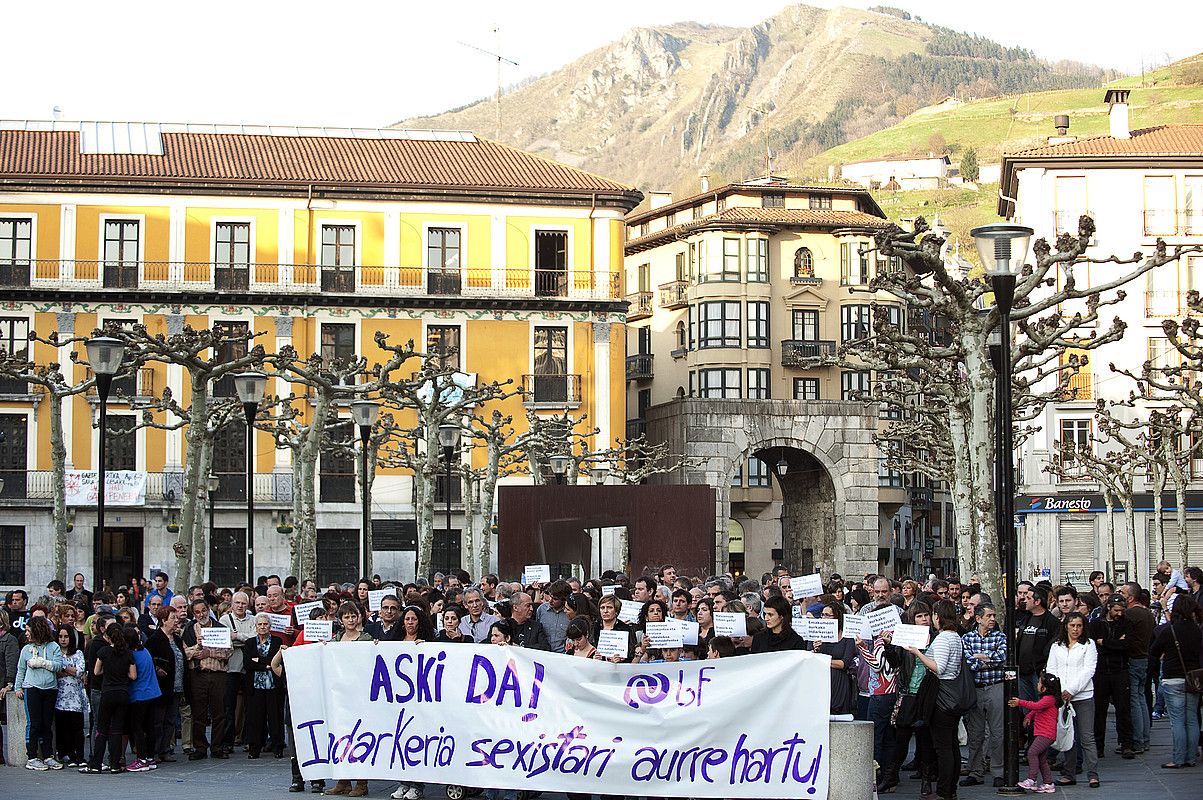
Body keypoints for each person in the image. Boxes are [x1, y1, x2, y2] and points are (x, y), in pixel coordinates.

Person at [904, 599, 965, 800]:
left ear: (939, 617)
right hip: (953, 695)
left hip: (942, 697)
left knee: (944, 747)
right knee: (951, 745)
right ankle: (951, 789)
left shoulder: (943, 639)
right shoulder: (955, 637)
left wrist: (917, 653)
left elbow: (938, 667)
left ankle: (944, 791)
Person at [1046, 611, 1099, 787]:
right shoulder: (1057, 646)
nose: (1075, 629)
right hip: (1062, 697)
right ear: (1066, 626)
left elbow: (1089, 670)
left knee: (1086, 736)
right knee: (1068, 735)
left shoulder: (1089, 645)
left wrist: (1072, 690)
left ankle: (1093, 773)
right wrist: (1058, 690)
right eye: (1072, 625)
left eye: (1079, 626)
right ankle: (1069, 773)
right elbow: (1051, 669)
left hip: (1083, 696)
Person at [1148, 594, 1201, 769]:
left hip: (1172, 678)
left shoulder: (1169, 629)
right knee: (1192, 719)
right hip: (1193, 679)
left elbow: (1154, 651)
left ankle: (1178, 758)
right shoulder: (1197, 630)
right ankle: (1191, 757)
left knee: (1177, 720)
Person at [324, 603, 371, 797]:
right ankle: (343, 781)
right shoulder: (335, 639)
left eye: (354, 616)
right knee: (341, 736)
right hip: (340, 695)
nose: (351, 620)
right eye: (347, 617)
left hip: (359, 694)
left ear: (359, 617)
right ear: (341, 620)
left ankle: (361, 782)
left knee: (359, 736)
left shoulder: (366, 638)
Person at [959, 603, 1007, 788]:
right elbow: (967, 659)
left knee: (997, 733)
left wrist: (980, 658)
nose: (993, 619)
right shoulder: (968, 637)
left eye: (994, 615)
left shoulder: (1001, 637)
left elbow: (1001, 658)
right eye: (989, 616)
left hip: (995, 686)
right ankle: (975, 771)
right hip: (975, 688)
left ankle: (998, 771)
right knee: (975, 733)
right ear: (978, 619)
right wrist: (985, 659)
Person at [182, 598, 234, 760]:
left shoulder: (220, 628)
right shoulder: (190, 629)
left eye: (203, 610)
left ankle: (217, 746)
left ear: (208, 609)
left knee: (219, 712)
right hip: (199, 675)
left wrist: (210, 652)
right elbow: (185, 653)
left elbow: (228, 651)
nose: (201, 614)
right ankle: (200, 747)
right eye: (197, 612)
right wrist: (197, 648)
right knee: (199, 712)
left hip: (218, 674)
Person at [81, 620, 135, 774]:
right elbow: (133, 675)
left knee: (102, 728)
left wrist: (109, 670)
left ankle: (96, 764)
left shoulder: (104, 652)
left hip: (108, 692)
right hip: (123, 692)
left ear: (108, 636)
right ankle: (115, 764)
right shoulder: (128, 653)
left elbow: (96, 672)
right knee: (117, 729)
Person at [14, 616, 64, 770]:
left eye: (29, 631)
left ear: (37, 631)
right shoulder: (26, 649)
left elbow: (58, 666)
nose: (26, 634)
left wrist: (42, 663)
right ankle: (32, 757)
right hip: (32, 688)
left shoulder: (53, 646)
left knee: (46, 724)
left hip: (50, 688)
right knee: (34, 724)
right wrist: (18, 687)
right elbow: (21, 669)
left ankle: (48, 756)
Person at [1088, 595, 1134, 759]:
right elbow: (1092, 646)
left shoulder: (1126, 624)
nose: (1119, 614)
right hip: (1101, 671)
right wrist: (1114, 643)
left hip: (1119, 670)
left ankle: (1127, 743)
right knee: (1099, 711)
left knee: (1123, 709)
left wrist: (1105, 642)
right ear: (1108, 608)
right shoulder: (1096, 624)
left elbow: (1126, 645)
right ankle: (1098, 746)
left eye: (1122, 610)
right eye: (1116, 610)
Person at [1009, 671, 1063, 793]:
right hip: (1044, 733)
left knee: (1032, 753)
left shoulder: (1049, 699)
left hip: (1045, 734)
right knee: (1042, 759)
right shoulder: (1048, 699)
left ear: (1045, 687)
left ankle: (1031, 779)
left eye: (1039, 682)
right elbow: (1038, 709)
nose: (1037, 684)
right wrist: (1029, 716)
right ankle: (1048, 783)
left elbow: (1036, 706)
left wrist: (1020, 702)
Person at [244, 613, 284, 759]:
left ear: (270, 626)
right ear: (255, 626)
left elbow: (278, 661)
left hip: (274, 687)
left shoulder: (277, 641)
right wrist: (268, 664)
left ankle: (277, 746)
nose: (262, 627)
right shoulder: (249, 643)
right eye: (259, 624)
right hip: (255, 687)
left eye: (265, 624)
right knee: (255, 719)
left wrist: (259, 660)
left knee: (275, 718)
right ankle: (254, 748)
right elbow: (248, 664)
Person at [145, 606, 183, 763]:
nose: (176, 621)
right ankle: (153, 750)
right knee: (157, 721)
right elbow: (147, 661)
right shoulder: (155, 640)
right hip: (161, 687)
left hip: (177, 685)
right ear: (163, 620)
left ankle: (165, 749)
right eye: (173, 618)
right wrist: (157, 668)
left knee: (170, 720)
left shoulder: (177, 639)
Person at [809, 601, 858, 715]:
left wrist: (822, 659)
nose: (823, 618)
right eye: (822, 615)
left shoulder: (847, 637)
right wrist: (815, 650)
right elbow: (811, 659)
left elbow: (844, 663)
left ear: (836, 617)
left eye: (827, 615)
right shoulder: (817, 635)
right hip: (821, 681)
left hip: (840, 683)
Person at [125, 623, 163, 771]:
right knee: (150, 727)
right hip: (153, 692)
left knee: (137, 727)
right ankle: (150, 757)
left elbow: (132, 676)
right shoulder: (145, 651)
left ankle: (141, 759)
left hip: (139, 694)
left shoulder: (132, 656)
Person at [1017, 585, 1060, 700]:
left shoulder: (1052, 622)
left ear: (1037, 602)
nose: (1024, 600)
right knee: (1026, 708)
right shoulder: (1025, 618)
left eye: (1028, 598)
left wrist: (1044, 669)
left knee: (1041, 706)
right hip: (1022, 672)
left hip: (1039, 672)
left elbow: (1052, 647)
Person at [53, 623, 87, 767]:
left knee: (78, 729)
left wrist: (64, 668)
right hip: (60, 697)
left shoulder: (78, 653)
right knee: (63, 728)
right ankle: (68, 755)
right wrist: (69, 670)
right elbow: (55, 671)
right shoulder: (55, 653)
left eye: (66, 636)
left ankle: (80, 756)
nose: (63, 639)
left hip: (76, 697)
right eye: (60, 636)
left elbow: (80, 671)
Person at [536, 581, 571, 653]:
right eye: (550, 596)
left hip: (563, 656)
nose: (550, 600)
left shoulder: (570, 613)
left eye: (555, 599)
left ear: (564, 600)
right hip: (544, 653)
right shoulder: (541, 610)